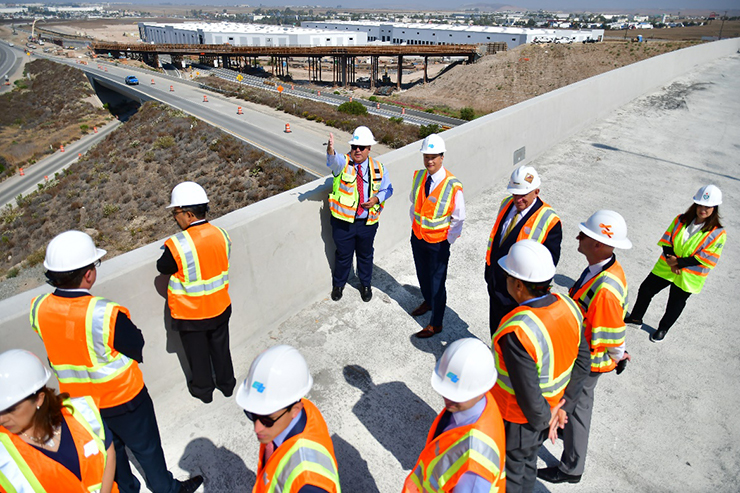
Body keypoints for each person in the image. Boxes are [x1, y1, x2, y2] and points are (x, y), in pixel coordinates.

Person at [30, 230, 203, 493]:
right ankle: (166, 489)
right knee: (148, 451)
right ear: (89, 273)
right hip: (125, 401)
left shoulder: (38, 307)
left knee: (113, 458)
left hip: (81, 407)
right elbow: (137, 346)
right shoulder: (102, 313)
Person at [538, 210, 632, 485]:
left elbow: (612, 334)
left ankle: (571, 469)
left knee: (578, 413)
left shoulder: (605, 289)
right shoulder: (601, 266)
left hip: (588, 362)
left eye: (585, 234)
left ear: (599, 244)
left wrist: (620, 355)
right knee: (572, 408)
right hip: (580, 354)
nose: (578, 236)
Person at [490, 240, 588, 493]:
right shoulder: (568, 305)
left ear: (519, 285)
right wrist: (563, 408)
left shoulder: (518, 330)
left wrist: (547, 420)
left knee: (510, 476)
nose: (507, 281)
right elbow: (583, 362)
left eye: (509, 276)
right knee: (527, 467)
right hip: (550, 412)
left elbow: (528, 393)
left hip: (519, 420)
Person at [157, 181, 236, 404]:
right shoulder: (221, 233)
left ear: (189, 214)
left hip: (191, 315)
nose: (175, 217)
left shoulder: (178, 244)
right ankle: (227, 384)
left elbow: (163, 267)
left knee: (198, 356)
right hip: (220, 306)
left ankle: (203, 391)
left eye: (176, 212)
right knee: (221, 350)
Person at [0, 349, 117, 493]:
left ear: (39, 398)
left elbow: (108, 452)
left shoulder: (82, 411)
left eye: (11, 410)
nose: (1, 419)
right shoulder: (3, 454)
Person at [625, 185, 726, 342]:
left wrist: (678, 263)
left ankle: (662, 329)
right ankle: (636, 319)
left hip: (689, 274)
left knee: (675, 303)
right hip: (667, 265)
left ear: (715, 208)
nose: (703, 209)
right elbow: (667, 240)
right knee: (646, 289)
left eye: (708, 206)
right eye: (700, 205)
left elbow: (706, 257)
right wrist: (671, 261)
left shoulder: (718, 233)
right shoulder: (681, 219)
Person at [403, 338, 506, 493]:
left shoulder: (474, 463)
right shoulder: (478, 403)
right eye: (446, 392)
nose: (448, 399)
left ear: (479, 392)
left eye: (457, 396)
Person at [235, 345, 340, 493]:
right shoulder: (301, 408)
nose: (257, 428)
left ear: (295, 410)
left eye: (267, 420)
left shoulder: (308, 484)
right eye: (252, 414)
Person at [484, 165, 562, 337]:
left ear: (536, 192)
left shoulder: (549, 221)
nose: (518, 199)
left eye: (523, 195)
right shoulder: (506, 204)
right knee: (496, 334)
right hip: (496, 285)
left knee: (513, 340)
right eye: (515, 194)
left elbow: (548, 265)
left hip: (519, 297)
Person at [326, 126, 393, 302]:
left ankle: (365, 285)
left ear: (369, 149)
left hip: (367, 223)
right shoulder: (343, 163)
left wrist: (377, 199)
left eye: (362, 147)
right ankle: (338, 285)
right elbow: (333, 162)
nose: (357, 150)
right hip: (343, 223)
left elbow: (388, 189)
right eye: (354, 146)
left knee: (365, 256)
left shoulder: (378, 168)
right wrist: (330, 150)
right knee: (343, 256)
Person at [409, 134, 465, 338]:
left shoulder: (452, 185)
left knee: (437, 283)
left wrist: (447, 241)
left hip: (438, 243)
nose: (429, 161)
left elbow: (459, 218)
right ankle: (428, 301)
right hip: (418, 237)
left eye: (433, 157)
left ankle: (436, 324)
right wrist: (416, 229)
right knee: (422, 275)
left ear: (442, 157)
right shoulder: (419, 176)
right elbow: (414, 204)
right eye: (426, 157)